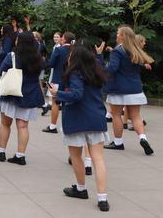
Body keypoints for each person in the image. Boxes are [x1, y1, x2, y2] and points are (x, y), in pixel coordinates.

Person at [48, 44, 110, 212]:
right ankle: (102, 198)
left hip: (76, 119)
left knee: (76, 157)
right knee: (98, 159)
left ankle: (81, 189)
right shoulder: (96, 72)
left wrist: (56, 93)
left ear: (75, 57)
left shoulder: (75, 73)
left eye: (70, 54)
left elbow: (76, 94)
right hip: (96, 118)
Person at [101, 26, 154, 155]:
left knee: (116, 115)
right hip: (135, 88)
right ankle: (143, 138)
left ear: (123, 36)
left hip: (118, 88)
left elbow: (112, 69)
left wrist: (101, 65)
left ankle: (118, 143)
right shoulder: (135, 50)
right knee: (136, 116)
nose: (116, 35)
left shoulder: (117, 51)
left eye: (118, 33)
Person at [0, 32, 45, 165]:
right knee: (23, 126)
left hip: (11, 93)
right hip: (29, 95)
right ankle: (20, 155)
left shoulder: (12, 56)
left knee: (5, 123)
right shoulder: (38, 58)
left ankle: (1, 152)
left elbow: (2, 71)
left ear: (19, 42)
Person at [43, 32, 75, 133]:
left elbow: (51, 63)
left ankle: (53, 126)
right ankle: (67, 126)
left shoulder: (58, 49)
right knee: (67, 103)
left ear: (65, 39)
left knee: (55, 103)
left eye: (62, 38)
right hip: (71, 80)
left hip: (57, 78)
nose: (61, 39)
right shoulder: (75, 50)